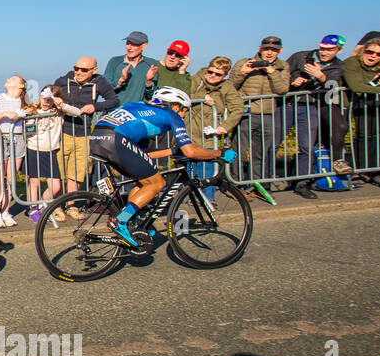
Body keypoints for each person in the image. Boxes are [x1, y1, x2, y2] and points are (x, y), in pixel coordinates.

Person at [88, 87, 236, 247]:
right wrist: (219, 153)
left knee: (144, 180)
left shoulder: (138, 106)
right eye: (184, 110)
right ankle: (121, 220)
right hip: (115, 140)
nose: (184, 115)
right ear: (176, 106)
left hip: (98, 137)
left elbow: (144, 154)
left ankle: (131, 222)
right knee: (158, 183)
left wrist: (171, 151)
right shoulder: (171, 114)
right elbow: (191, 151)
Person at [53, 57, 120, 217]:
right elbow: (49, 95)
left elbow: (114, 100)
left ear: (94, 70)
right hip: (63, 132)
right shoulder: (63, 80)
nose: (79, 72)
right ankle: (56, 206)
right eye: (77, 68)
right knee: (59, 172)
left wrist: (95, 106)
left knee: (77, 172)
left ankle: (72, 206)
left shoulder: (99, 82)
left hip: (84, 134)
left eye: (84, 70)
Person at [285, 34, 349, 198]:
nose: (324, 52)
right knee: (273, 142)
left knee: (307, 145)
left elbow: (332, 87)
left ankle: (302, 182)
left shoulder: (338, 65)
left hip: (312, 105)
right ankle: (265, 182)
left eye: (329, 49)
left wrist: (321, 76)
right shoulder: (301, 56)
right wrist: (293, 80)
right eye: (322, 48)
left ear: (339, 50)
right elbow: (283, 72)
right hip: (288, 104)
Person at [229, 36, 290, 188]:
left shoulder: (282, 66)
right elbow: (230, 87)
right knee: (238, 151)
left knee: (261, 153)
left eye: (274, 50)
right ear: (259, 49)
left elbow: (282, 89)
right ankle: (237, 184)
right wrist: (243, 72)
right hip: (245, 113)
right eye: (266, 49)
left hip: (267, 114)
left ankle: (258, 184)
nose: (269, 53)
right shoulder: (244, 63)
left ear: (280, 51)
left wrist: (271, 71)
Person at [187, 57, 245, 200]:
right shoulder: (196, 79)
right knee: (190, 164)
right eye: (210, 71)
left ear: (224, 75)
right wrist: (202, 97)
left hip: (209, 133)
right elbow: (184, 95)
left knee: (208, 166)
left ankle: (208, 199)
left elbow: (238, 108)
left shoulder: (227, 87)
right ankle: (190, 197)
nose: (212, 75)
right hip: (190, 129)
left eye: (218, 74)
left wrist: (224, 127)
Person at [0, 75, 27, 227]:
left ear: (21, 85)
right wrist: (5, 115)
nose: (8, 79)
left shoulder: (24, 101)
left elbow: (33, 111)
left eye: (13, 78)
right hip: (1, 137)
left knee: (10, 179)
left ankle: (6, 211)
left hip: (17, 138)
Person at [21, 87, 65, 222]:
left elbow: (75, 112)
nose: (46, 102)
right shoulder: (34, 111)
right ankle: (33, 208)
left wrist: (61, 104)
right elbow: (28, 130)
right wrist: (31, 116)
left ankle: (40, 204)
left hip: (50, 150)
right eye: (44, 98)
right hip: (34, 148)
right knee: (34, 181)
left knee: (55, 186)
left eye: (50, 99)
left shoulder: (58, 112)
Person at [343, 38, 380, 183]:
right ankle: (360, 169)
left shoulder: (378, 67)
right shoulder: (352, 62)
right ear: (363, 51)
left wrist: (375, 84)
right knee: (360, 135)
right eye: (370, 52)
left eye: (378, 54)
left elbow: (367, 84)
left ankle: (373, 169)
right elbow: (357, 86)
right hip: (346, 104)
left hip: (370, 104)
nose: (373, 56)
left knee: (375, 135)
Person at [106, 31, 160, 104]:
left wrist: (149, 81)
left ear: (144, 46)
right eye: (128, 43)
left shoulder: (151, 64)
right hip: (114, 111)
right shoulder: (115, 61)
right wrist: (121, 80)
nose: (129, 47)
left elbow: (150, 96)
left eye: (134, 44)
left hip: (137, 112)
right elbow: (105, 90)